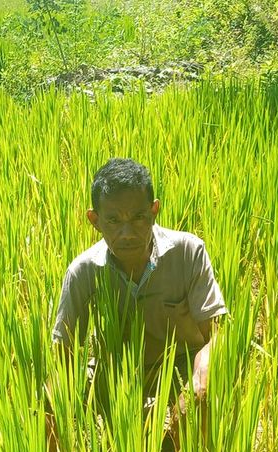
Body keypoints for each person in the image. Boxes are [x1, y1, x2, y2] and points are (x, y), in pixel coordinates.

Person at [51, 157, 228, 420]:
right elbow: (62, 353)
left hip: (179, 367)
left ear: (154, 211)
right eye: (113, 220)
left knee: (198, 404)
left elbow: (218, 333)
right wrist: (57, 407)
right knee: (45, 404)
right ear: (94, 220)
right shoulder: (83, 271)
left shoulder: (188, 251)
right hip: (116, 371)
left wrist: (199, 384)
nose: (127, 233)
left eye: (138, 218)